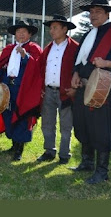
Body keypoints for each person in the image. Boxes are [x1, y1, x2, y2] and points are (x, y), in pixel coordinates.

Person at [69, 0, 111, 184]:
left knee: (101, 129)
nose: (93, 15)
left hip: (102, 88)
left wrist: (107, 63)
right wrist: (75, 73)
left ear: (107, 13)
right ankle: (87, 162)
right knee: (84, 125)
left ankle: (102, 171)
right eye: (91, 12)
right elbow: (79, 58)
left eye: (98, 11)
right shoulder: (88, 34)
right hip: (83, 86)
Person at [0, 20, 42, 161]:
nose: (20, 34)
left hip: (24, 89)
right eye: (18, 32)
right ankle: (14, 144)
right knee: (8, 114)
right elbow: (1, 66)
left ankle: (19, 150)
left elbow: (37, 69)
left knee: (22, 116)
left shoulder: (34, 49)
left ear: (29, 34)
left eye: (23, 32)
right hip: (8, 87)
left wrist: (25, 56)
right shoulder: (8, 49)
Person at [37, 15, 79, 164]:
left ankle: (64, 154)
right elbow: (41, 69)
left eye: (55, 27)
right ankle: (49, 151)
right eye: (51, 28)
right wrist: (42, 87)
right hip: (48, 91)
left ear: (64, 29)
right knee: (47, 123)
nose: (51, 31)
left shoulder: (75, 48)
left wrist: (75, 89)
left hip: (66, 93)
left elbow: (79, 70)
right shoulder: (48, 49)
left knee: (66, 124)